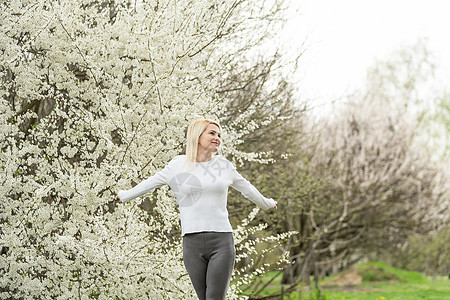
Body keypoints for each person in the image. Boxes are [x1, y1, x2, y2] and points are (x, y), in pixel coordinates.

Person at [115, 119, 277, 300]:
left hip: (221, 242)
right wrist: (125, 195)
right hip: (191, 244)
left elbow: (248, 189)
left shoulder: (224, 166)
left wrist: (267, 203)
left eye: (219, 135)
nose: (217, 137)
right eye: (212, 133)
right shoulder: (177, 166)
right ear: (197, 136)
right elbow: (150, 183)